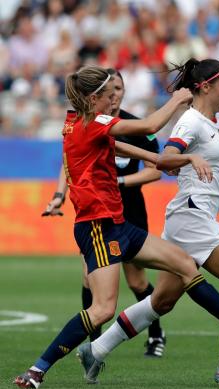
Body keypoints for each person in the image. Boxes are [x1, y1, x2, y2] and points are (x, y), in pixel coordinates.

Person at [15, 65, 219, 389]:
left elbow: (119, 147)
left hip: (120, 223)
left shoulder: (78, 122)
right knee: (101, 309)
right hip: (97, 227)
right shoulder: (95, 123)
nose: (114, 98)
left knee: (183, 267)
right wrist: (177, 99)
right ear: (94, 97)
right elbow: (151, 125)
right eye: (108, 94)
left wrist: (171, 161)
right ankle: (37, 370)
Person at [42, 68, 168, 357]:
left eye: (119, 89)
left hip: (129, 209)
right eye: (111, 89)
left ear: (123, 92)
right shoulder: (88, 123)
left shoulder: (132, 125)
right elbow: (70, 159)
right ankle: (93, 342)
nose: (115, 94)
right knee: (90, 279)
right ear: (98, 95)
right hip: (98, 214)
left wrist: (122, 179)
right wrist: (59, 195)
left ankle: (157, 334)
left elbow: (154, 172)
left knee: (137, 281)